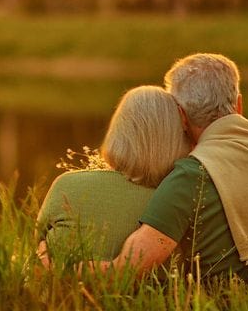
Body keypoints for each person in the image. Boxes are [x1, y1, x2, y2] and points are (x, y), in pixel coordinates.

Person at [107, 53, 248, 279]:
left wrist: (75, 268)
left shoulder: (193, 174)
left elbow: (127, 270)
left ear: (181, 116)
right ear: (239, 104)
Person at [36, 85, 190, 263]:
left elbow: (38, 243)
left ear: (118, 131)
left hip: (58, 288)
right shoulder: (177, 200)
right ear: (177, 138)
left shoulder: (66, 184)